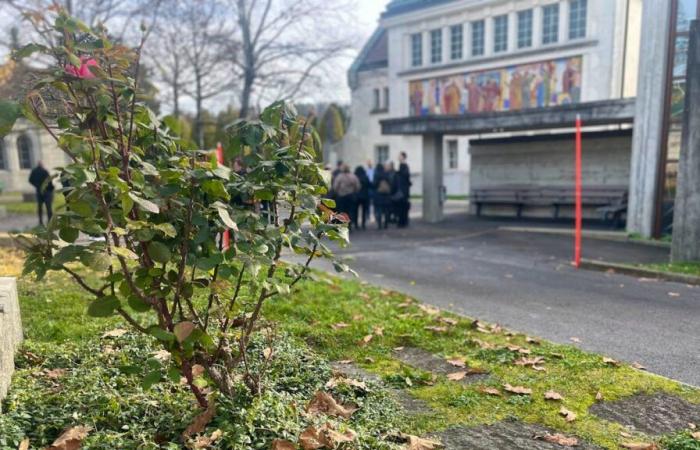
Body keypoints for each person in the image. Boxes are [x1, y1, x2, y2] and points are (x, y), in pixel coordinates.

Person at [332, 164, 360, 230]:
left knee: (342, 211)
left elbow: (335, 187)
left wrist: (337, 192)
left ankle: (343, 225)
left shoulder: (339, 177)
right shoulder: (353, 176)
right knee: (350, 211)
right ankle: (349, 224)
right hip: (351, 196)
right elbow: (358, 186)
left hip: (342, 196)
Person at [29, 161, 54, 226]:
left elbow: (30, 180)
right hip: (47, 191)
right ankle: (50, 221)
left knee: (40, 206)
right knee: (48, 207)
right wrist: (51, 189)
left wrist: (36, 185)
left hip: (39, 191)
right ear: (42, 165)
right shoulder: (45, 171)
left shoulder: (34, 171)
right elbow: (49, 181)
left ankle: (40, 221)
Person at [373, 162, 393, 229]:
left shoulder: (376, 175)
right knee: (386, 210)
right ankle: (386, 224)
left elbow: (374, 185)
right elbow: (391, 183)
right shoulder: (387, 174)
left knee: (379, 210)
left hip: (379, 195)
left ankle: (379, 225)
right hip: (386, 195)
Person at [396, 152, 412, 228]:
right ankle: (403, 221)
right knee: (402, 206)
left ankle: (403, 222)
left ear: (403, 157)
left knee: (402, 206)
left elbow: (405, 177)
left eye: (400, 156)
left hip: (403, 190)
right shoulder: (403, 166)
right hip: (404, 190)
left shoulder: (404, 166)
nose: (398, 157)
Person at [353, 166, 371, 230]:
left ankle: (356, 224)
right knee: (364, 211)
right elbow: (369, 185)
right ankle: (363, 224)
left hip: (357, 196)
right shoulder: (365, 177)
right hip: (365, 196)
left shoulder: (355, 177)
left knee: (356, 211)